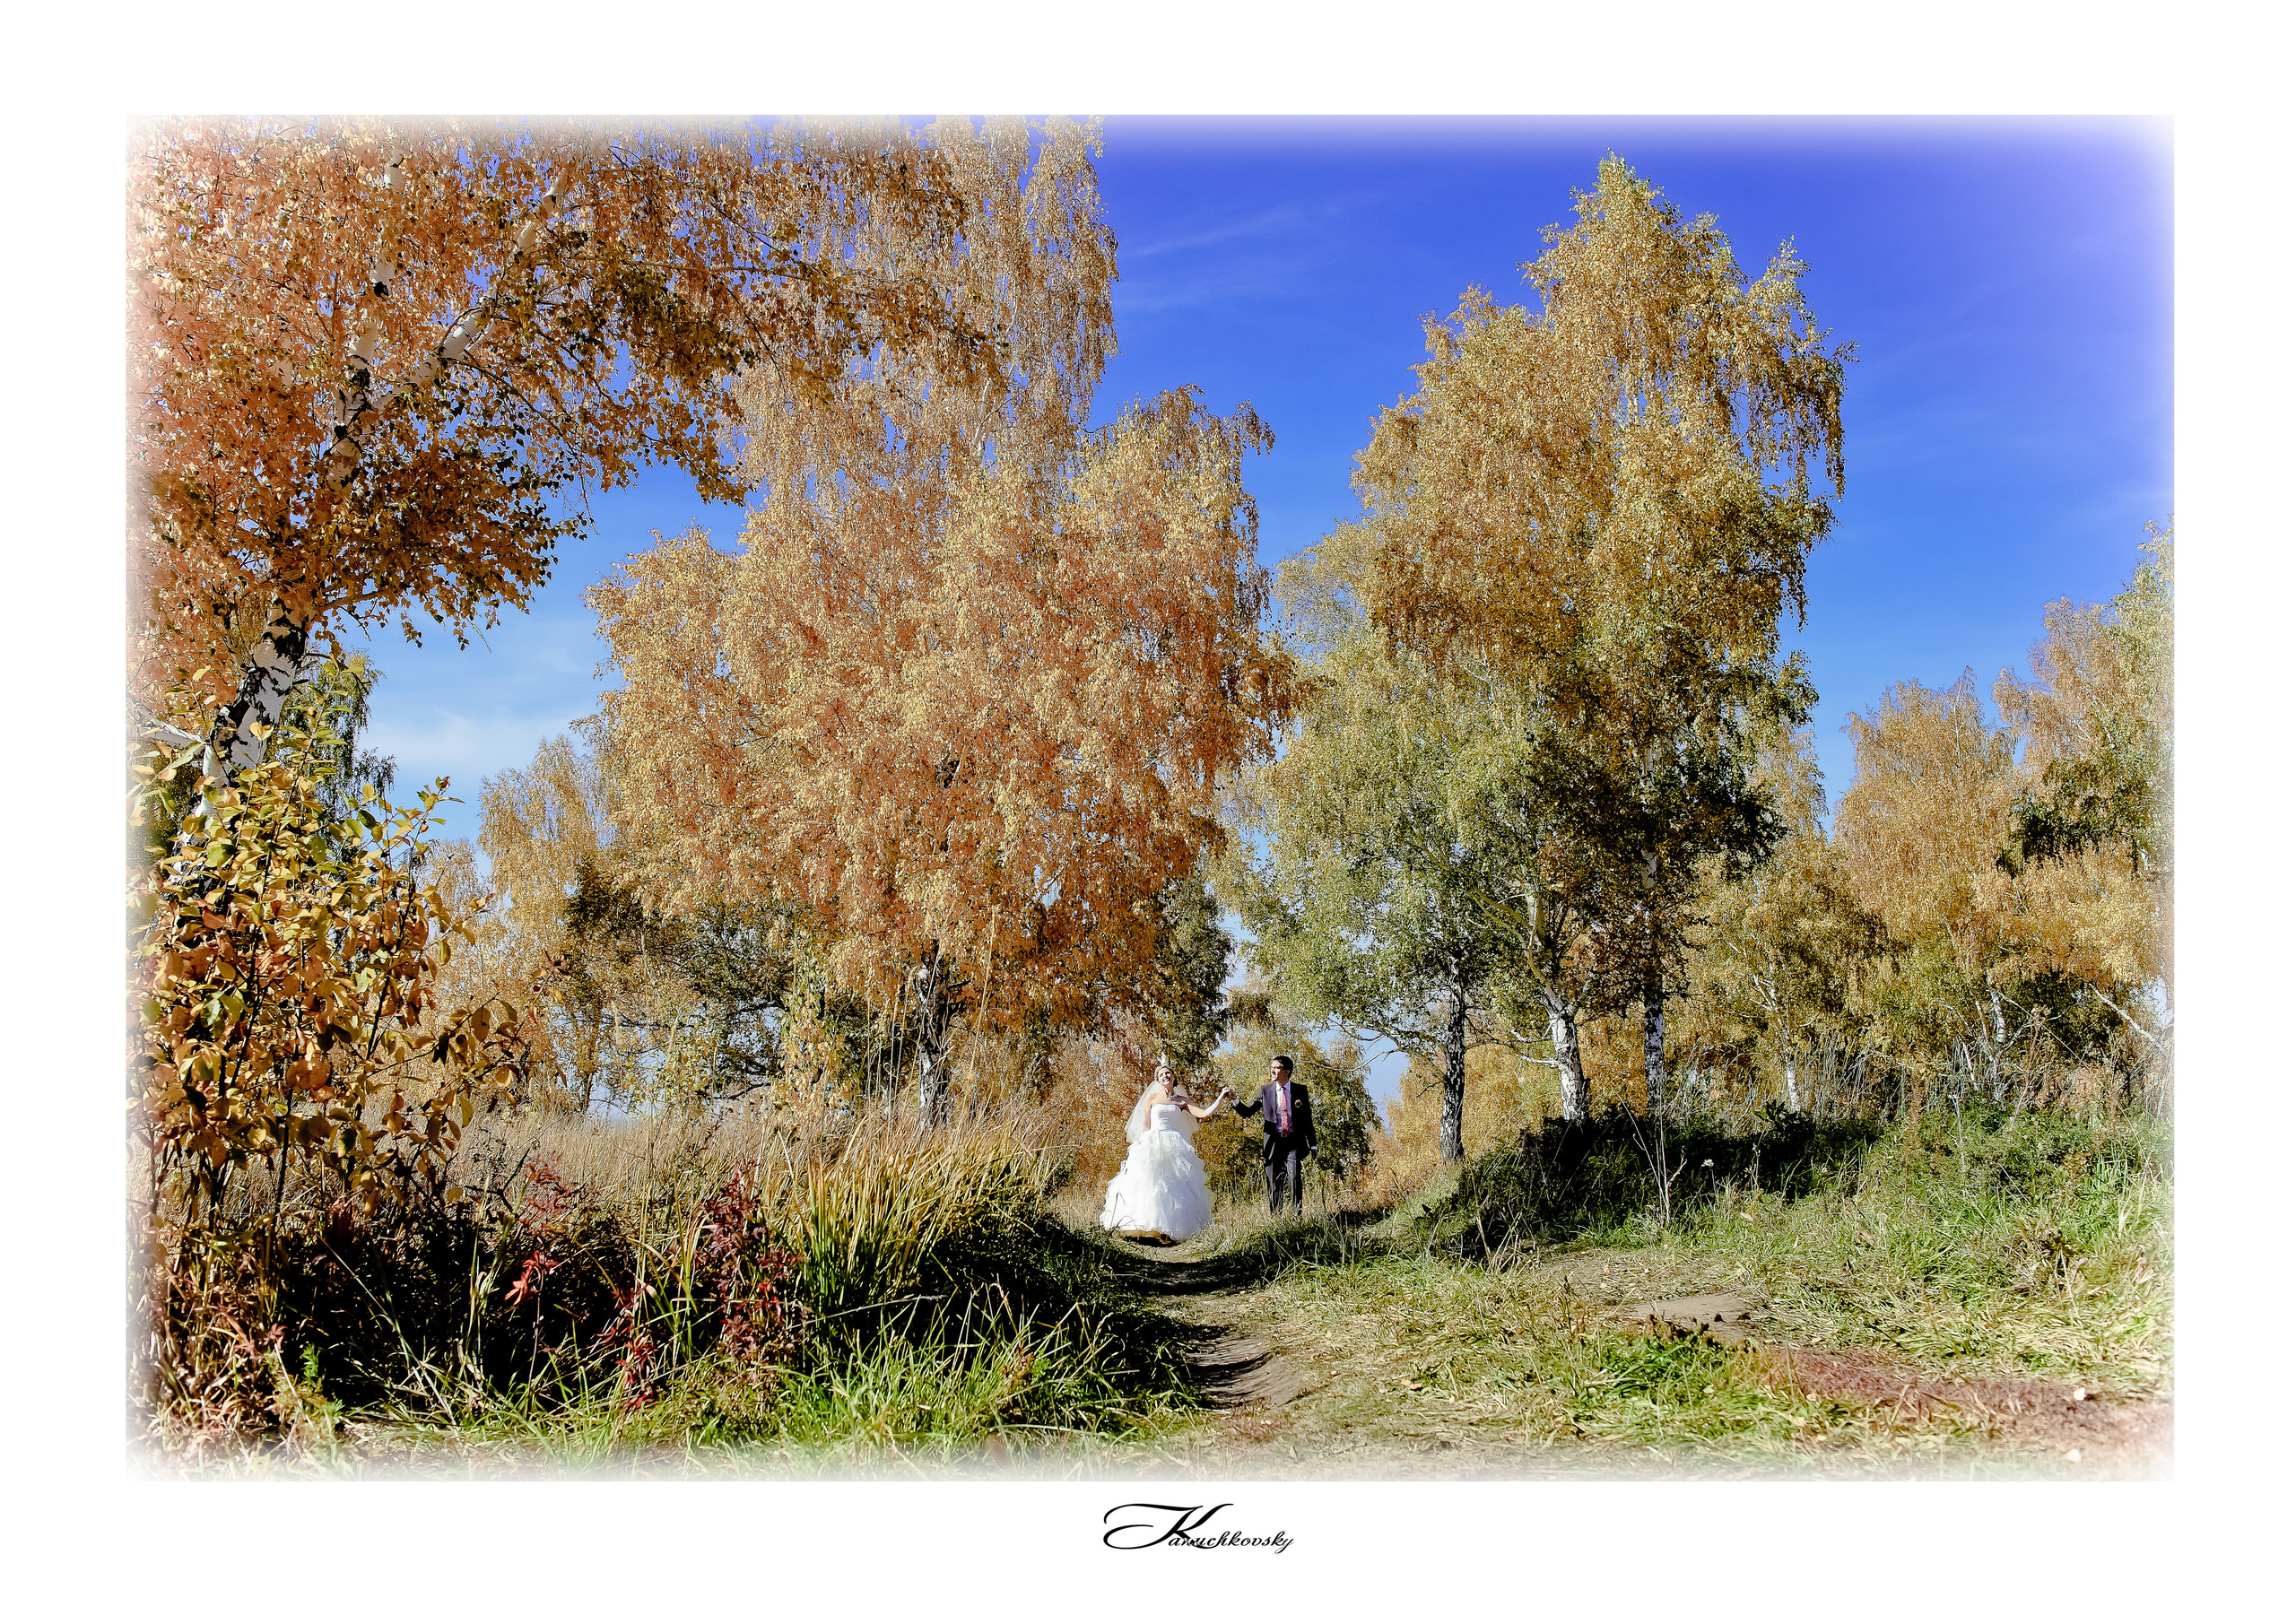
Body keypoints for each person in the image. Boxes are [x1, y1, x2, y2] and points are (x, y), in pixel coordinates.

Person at [1100, 1057, 1233, 1246]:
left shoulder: (1181, 1101)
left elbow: (1204, 1114)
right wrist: (1140, 1142)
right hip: (1153, 1140)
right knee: (1150, 1183)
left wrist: (1220, 1097)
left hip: (1174, 1142)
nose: (1165, 1076)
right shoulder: (1152, 1098)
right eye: (1161, 1074)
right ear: (1157, 1080)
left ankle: (1168, 1231)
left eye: (1167, 1073)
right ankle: (1140, 1227)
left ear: (1173, 1076)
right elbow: (1146, 1122)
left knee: (1173, 1186)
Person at [1232, 1054, 1316, 1214]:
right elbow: (1248, 1112)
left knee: (1294, 1178)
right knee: (1274, 1182)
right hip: (1274, 1143)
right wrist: (1235, 1100)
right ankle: (1276, 1218)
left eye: (1276, 1068)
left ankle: (1296, 1218)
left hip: (1294, 1142)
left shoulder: (1300, 1090)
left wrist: (1313, 1144)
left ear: (1287, 1071)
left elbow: (1307, 1119)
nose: (1272, 1071)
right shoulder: (1265, 1091)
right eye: (1271, 1067)